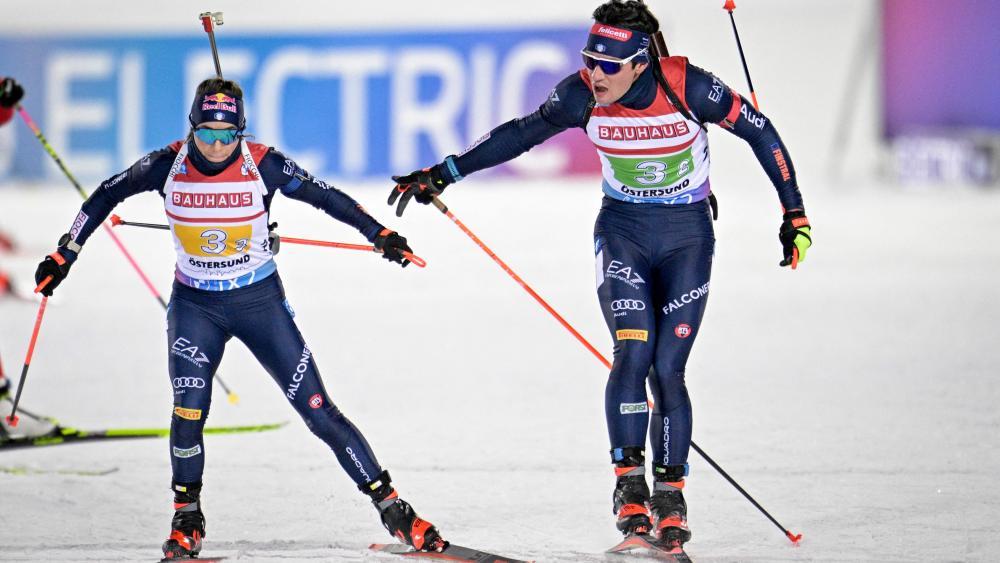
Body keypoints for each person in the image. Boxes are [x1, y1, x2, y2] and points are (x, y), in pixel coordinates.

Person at [388, 0, 811, 548]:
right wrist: (443, 173)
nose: (595, 74)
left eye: (609, 65)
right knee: (633, 352)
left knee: (668, 368)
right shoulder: (580, 95)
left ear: (640, 63)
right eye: (590, 60)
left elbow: (763, 133)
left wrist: (793, 212)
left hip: (687, 238)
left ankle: (671, 496)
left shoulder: (690, 87)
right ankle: (630, 488)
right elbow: (520, 133)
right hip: (623, 235)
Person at [34, 78, 447, 559]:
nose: (214, 145)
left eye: (226, 135)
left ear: (241, 132)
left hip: (259, 304)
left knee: (318, 409)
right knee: (188, 409)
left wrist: (379, 233)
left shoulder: (262, 163)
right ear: (190, 128)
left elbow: (327, 196)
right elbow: (105, 194)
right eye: (204, 133)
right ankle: (186, 516)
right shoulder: (165, 164)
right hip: (196, 307)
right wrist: (66, 253)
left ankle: (394, 507)